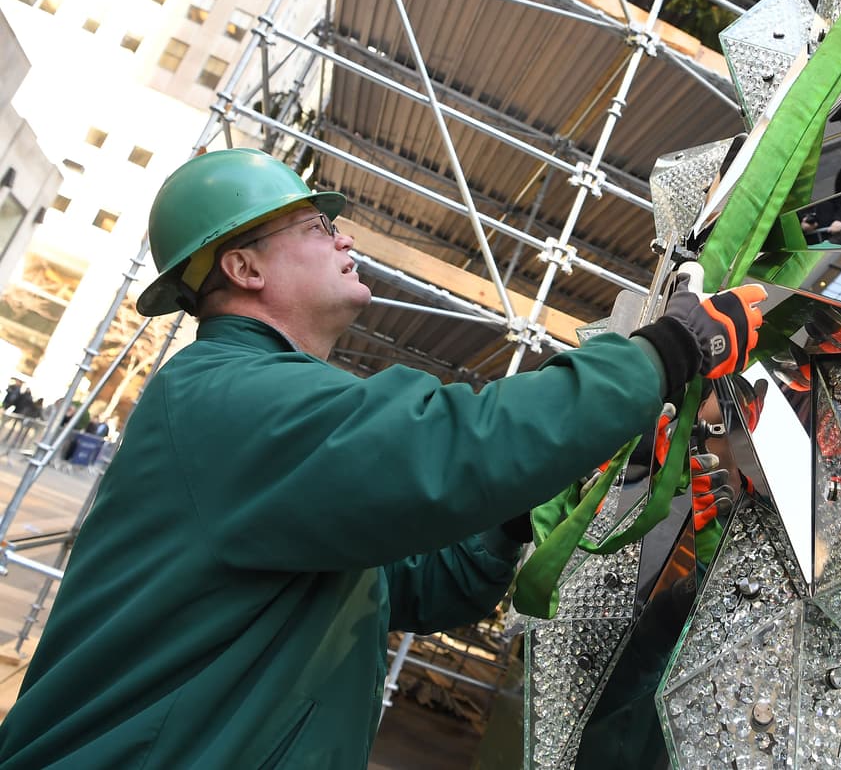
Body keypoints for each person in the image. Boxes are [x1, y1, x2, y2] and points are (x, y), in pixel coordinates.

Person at [0, 148, 767, 768]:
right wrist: (666, 350)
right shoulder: (226, 399)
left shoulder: (272, 440)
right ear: (244, 268)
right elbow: (451, 445)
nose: (345, 238)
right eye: (315, 226)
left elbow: (421, 584)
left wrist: (519, 506)